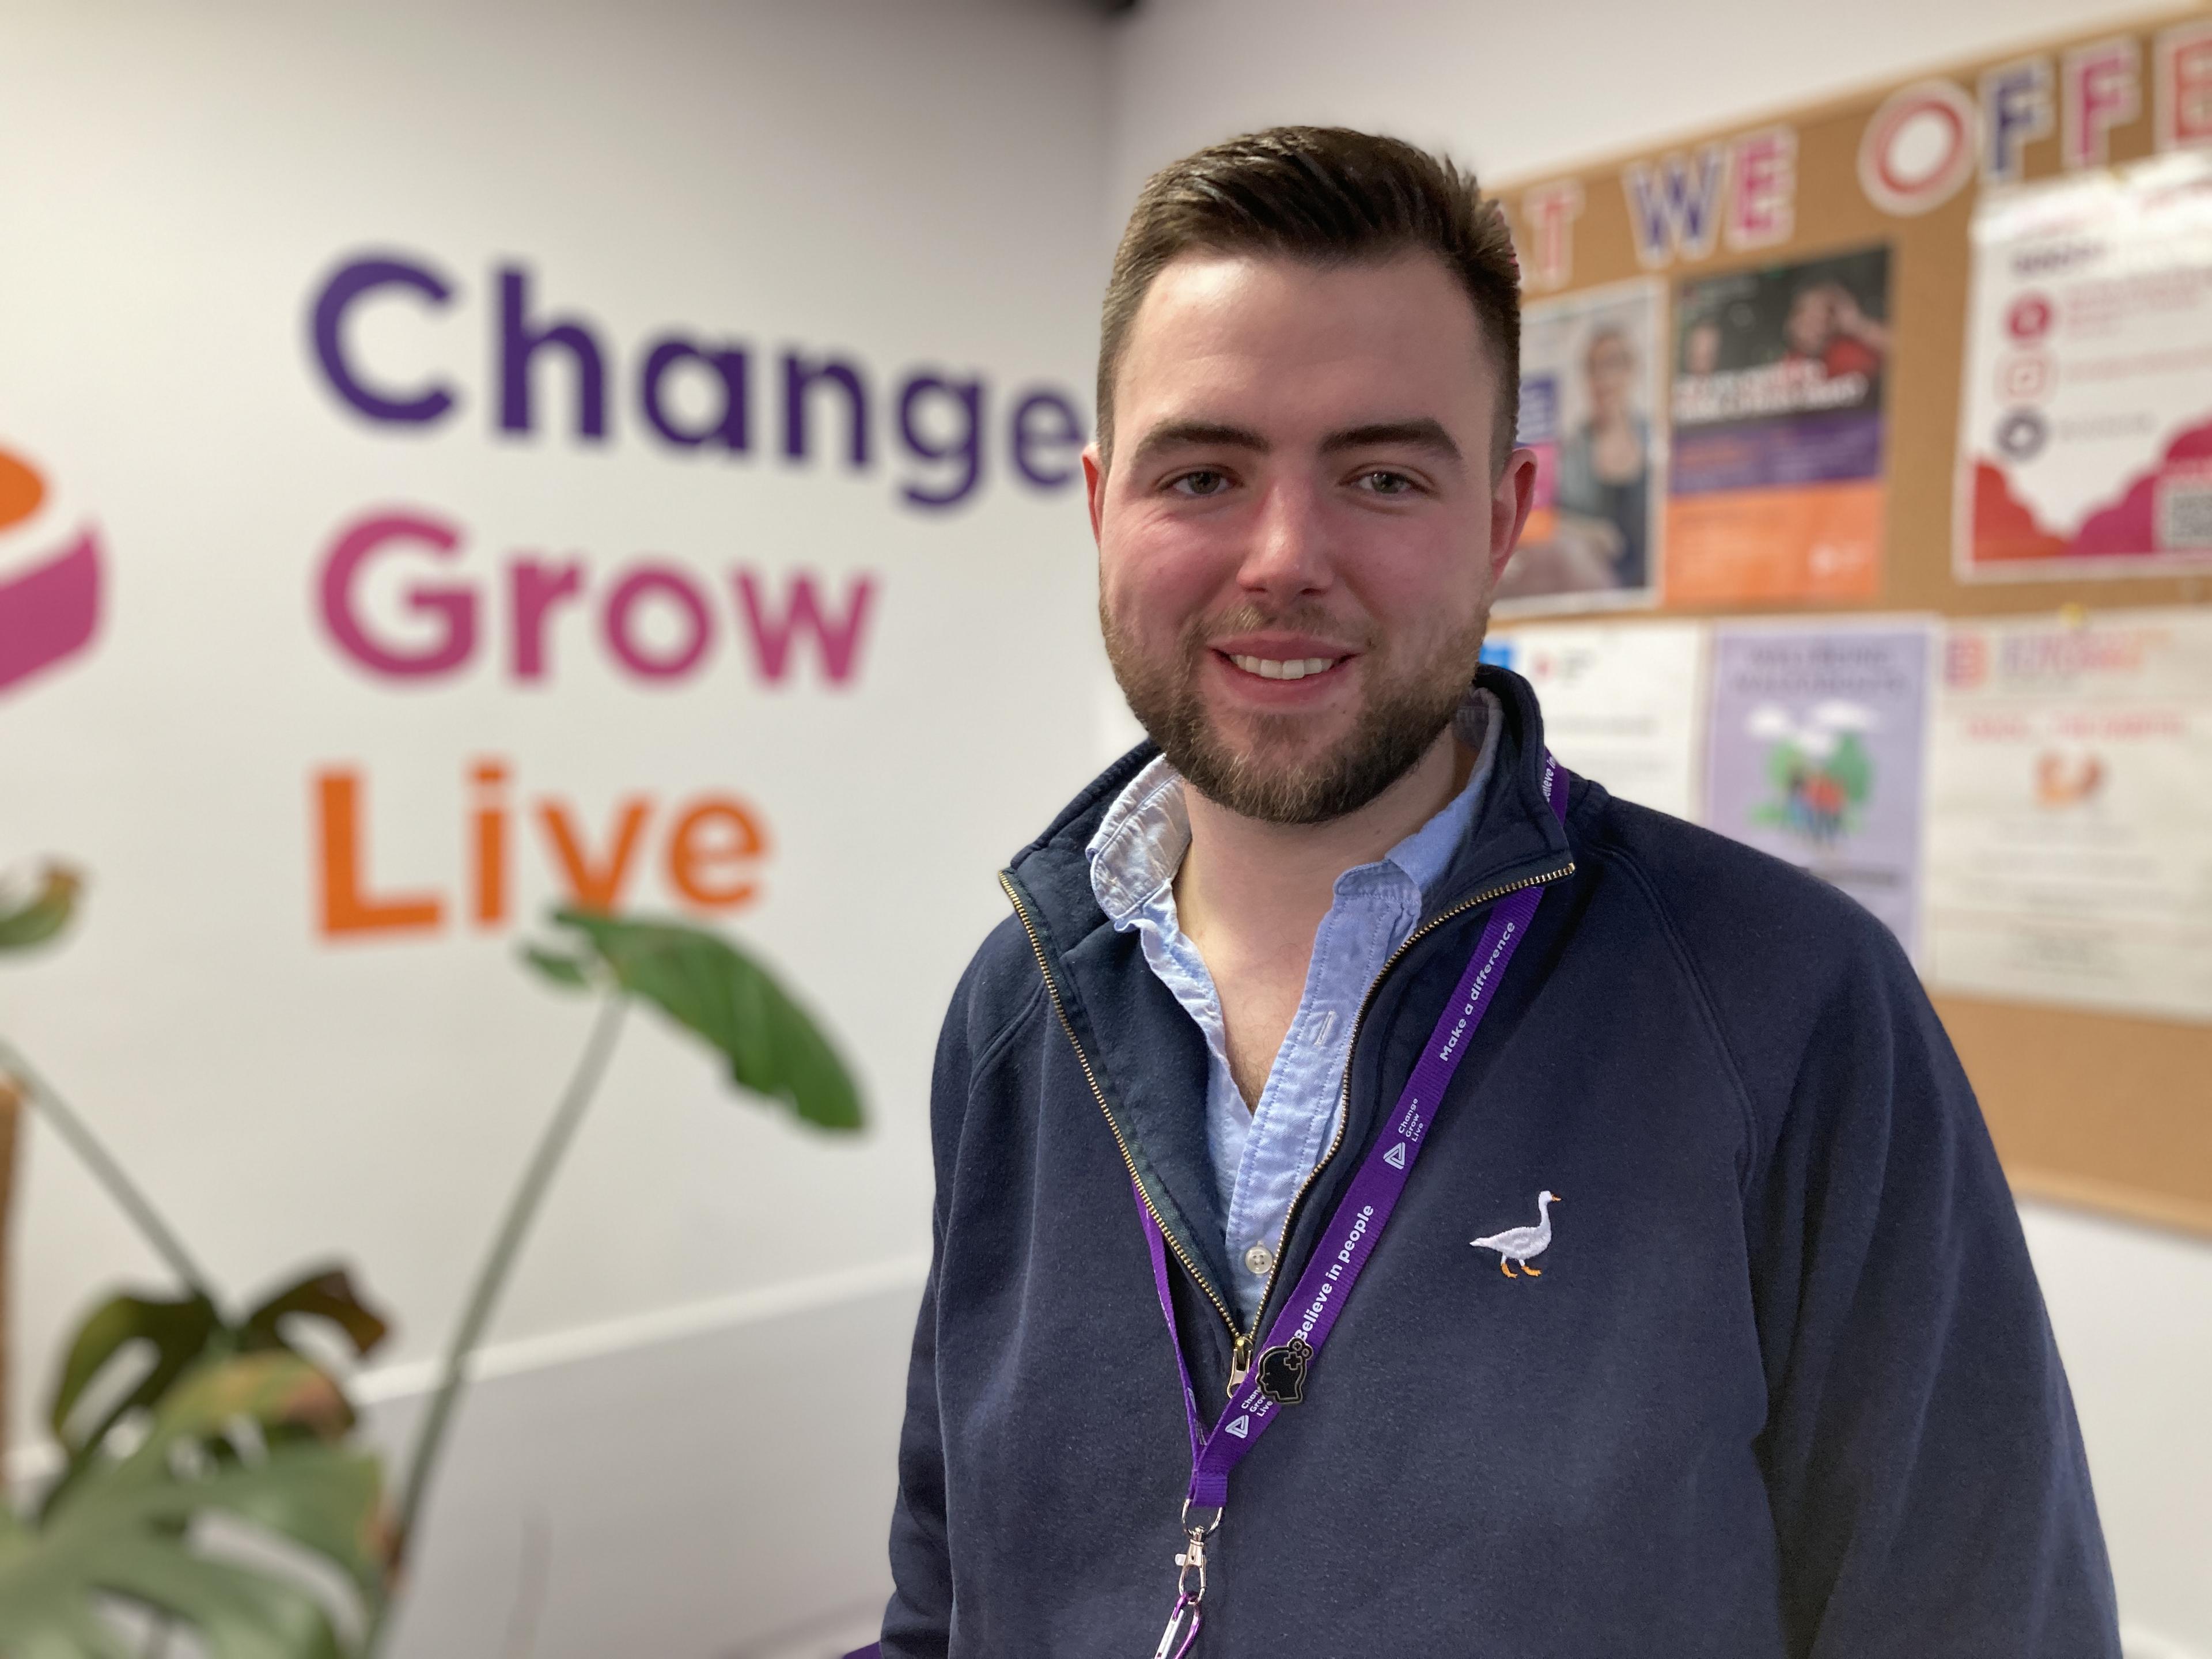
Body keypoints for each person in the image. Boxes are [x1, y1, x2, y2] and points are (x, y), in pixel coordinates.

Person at [878, 127, 2116, 1657]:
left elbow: (1982, 1622)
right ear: (1099, 506)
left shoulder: (1788, 1007)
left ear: (1504, 517)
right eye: (1202, 472)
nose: (1284, 556)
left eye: (1382, 474)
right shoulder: (1020, 1006)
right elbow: (947, 1604)